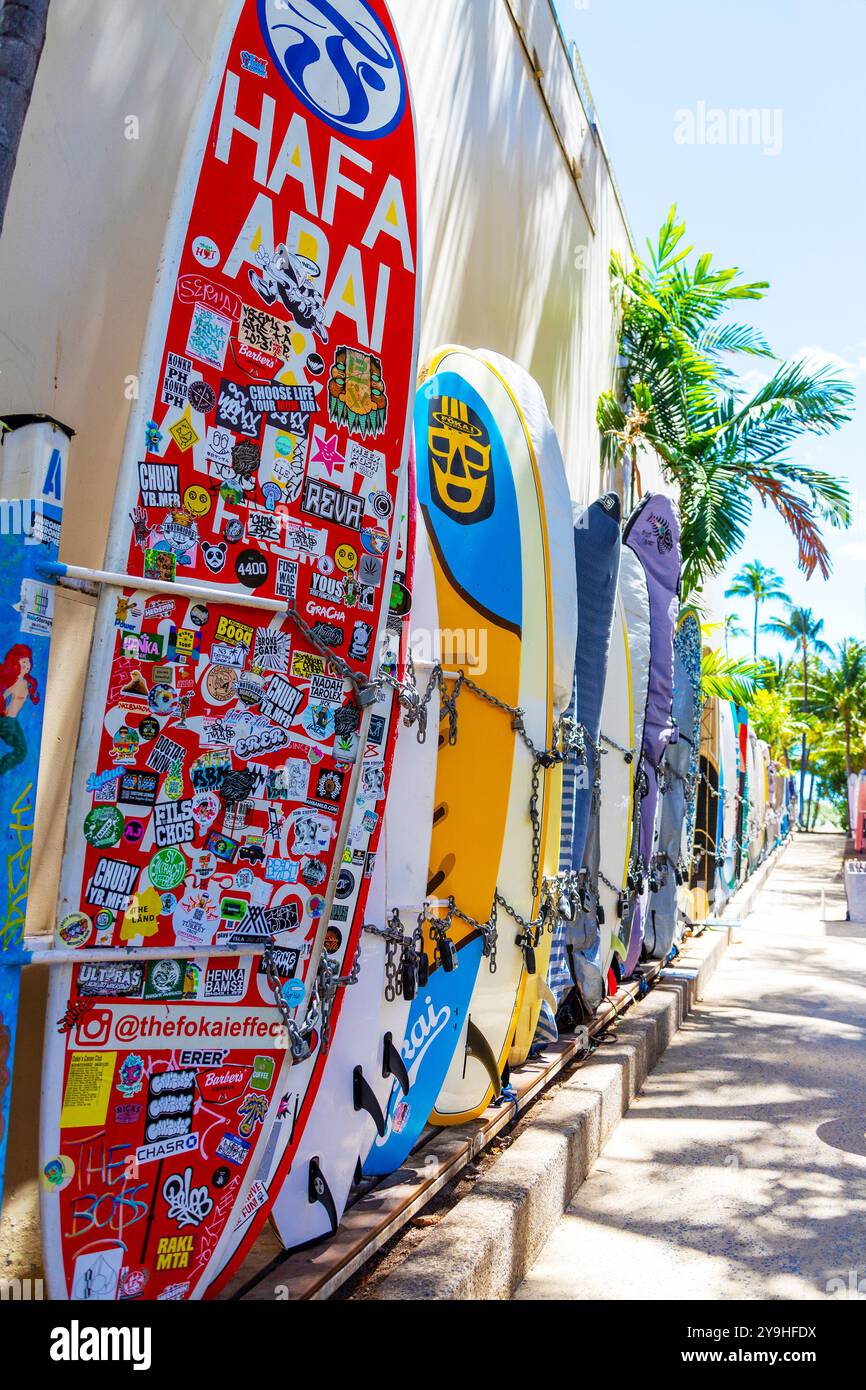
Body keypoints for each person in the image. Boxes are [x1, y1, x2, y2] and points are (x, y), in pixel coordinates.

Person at [0, 644, 39, 775]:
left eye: (28, 661)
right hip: (6, 721)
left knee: (21, 751)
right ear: (15, 663)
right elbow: (3, 695)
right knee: (21, 751)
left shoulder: (25, 682)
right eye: (23, 661)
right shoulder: (15, 682)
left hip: (12, 721)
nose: (27, 664)